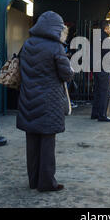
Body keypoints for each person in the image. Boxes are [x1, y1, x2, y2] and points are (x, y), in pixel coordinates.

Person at [16, 11, 74, 192]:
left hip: (28, 100)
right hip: (49, 103)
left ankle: (34, 181)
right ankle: (47, 183)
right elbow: (66, 74)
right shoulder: (56, 47)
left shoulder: (27, 44)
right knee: (48, 144)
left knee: (32, 144)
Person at [90, 20, 110, 122]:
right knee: (105, 92)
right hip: (103, 69)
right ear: (106, 28)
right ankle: (102, 115)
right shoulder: (106, 38)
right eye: (109, 28)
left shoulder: (95, 37)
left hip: (96, 68)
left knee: (97, 91)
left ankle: (95, 113)